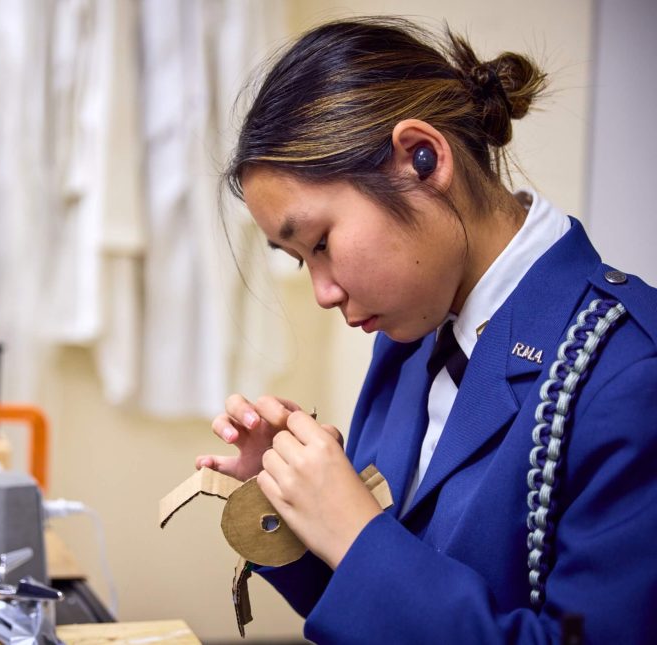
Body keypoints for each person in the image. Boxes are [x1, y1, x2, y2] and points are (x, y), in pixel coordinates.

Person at [196, 16, 657, 644]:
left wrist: (355, 533)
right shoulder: (411, 332)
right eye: (301, 261)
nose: (324, 292)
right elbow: (376, 608)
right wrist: (291, 499)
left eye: (323, 243)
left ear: (423, 158)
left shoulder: (629, 372)